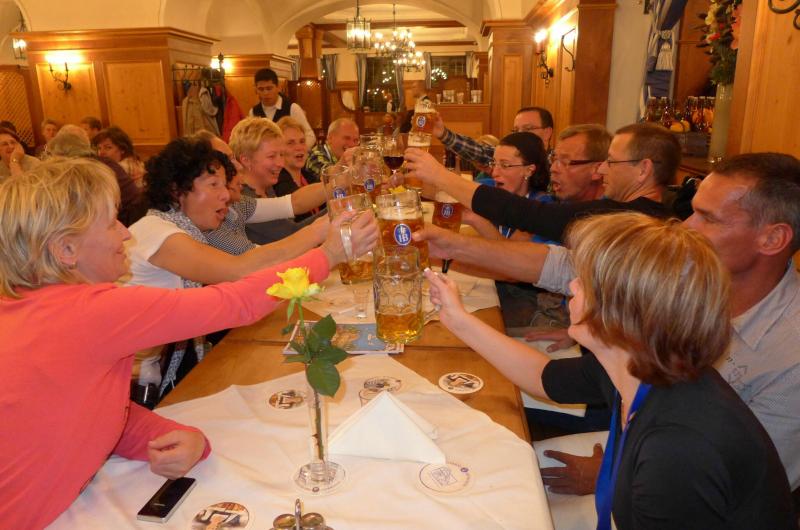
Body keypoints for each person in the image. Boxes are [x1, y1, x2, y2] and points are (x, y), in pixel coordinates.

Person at [0, 157, 375, 529]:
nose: (126, 234)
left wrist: (164, 435)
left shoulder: (31, 308)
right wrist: (329, 255)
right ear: (66, 250)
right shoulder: (89, 312)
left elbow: (88, 411)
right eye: (111, 223)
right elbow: (236, 303)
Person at [425, 212, 796, 529]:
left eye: (584, 280)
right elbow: (544, 378)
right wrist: (458, 320)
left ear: (625, 310)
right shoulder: (641, 362)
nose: (571, 286)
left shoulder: (678, 449)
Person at [125, 136, 365, 395]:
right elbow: (239, 270)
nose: (225, 194)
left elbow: (289, 206)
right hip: (137, 386)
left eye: (223, 184)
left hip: (166, 371)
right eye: (214, 185)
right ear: (176, 189)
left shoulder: (183, 227)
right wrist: (320, 234)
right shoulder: (155, 231)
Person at [406, 122, 675, 244]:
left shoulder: (628, 218)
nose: (604, 168)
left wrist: (440, 176)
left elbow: (527, 216)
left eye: (611, 161)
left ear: (643, 170)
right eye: (555, 159)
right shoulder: (616, 208)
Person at [229, 117, 327, 245]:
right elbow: (292, 237)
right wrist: (339, 206)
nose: (280, 163)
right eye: (272, 156)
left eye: (281, 154)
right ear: (246, 160)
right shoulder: (242, 197)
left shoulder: (267, 187)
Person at [47, 125, 146, 226]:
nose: (102, 152)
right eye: (99, 148)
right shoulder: (98, 163)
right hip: (125, 216)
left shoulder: (90, 167)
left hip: (126, 220)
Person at [431, 107, 555, 169]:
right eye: (516, 130)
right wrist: (443, 134)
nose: (520, 135)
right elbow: (479, 151)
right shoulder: (508, 158)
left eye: (528, 129)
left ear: (547, 132)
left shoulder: (555, 165)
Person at [248, 67, 315, 148]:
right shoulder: (254, 112)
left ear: (278, 87)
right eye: (261, 89)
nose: (265, 93)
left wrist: (298, 150)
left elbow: (310, 136)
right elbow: (252, 139)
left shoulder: (292, 108)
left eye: (269, 88)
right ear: (256, 90)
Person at [273, 116, 321, 221]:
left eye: (302, 141)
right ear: (279, 150)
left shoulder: (308, 176)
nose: (299, 147)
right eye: (290, 143)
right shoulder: (278, 181)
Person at [548, 124, 610, 203]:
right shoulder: (552, 204)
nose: (553, 169)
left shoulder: (615, 210)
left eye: (565, 161)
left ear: (597, 170)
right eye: (554, 159)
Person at [304, 117, 360, 182]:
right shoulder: (316, 154)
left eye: (356, 140)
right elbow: (327, 176)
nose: (352, 145)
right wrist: (344, 161)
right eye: (347, 138)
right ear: (330, 138)